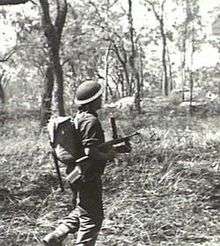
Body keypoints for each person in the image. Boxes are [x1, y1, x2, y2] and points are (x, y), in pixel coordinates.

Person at [43, 80, 116, 246]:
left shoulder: (79, 118)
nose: (101, 99)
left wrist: (111, 146)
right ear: (94, 100)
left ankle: (55, 236)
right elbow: (91, 151)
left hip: (76, 173)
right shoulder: (91, 121)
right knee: (92, 219)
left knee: (84, 209)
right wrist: (110, 155)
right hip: (87, 175)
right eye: (100, 96)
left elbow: (87, 147)